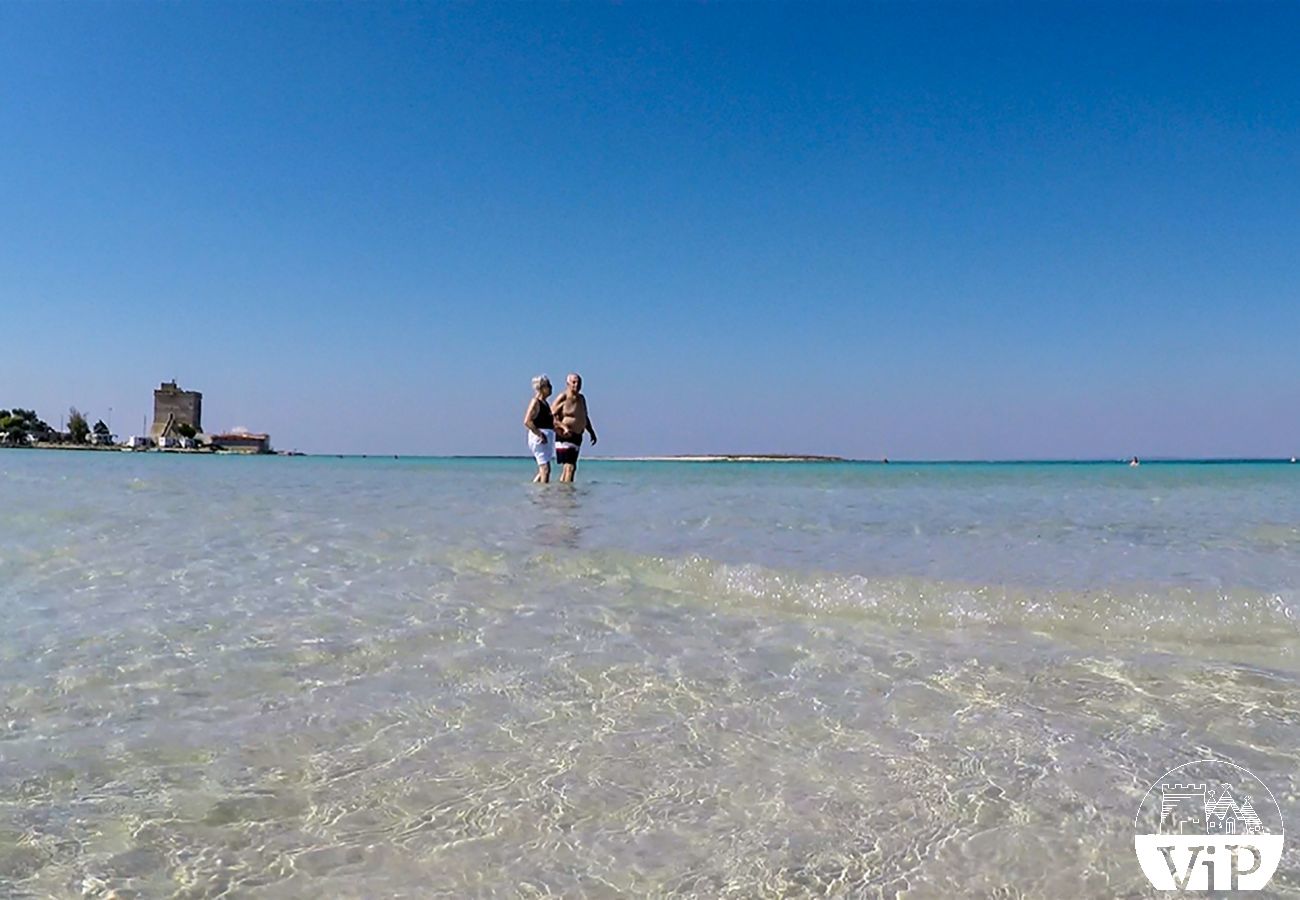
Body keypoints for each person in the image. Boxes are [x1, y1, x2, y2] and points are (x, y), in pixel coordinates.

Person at [551, 372, 597, 483]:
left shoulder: (581, 398)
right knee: (569, 467)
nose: (576, 385)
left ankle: (563, 492)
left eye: (579, 383)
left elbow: (584, 416)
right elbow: (550, 416)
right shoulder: (563, 397)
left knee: (571, 467)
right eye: (574, 382)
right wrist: (563, 427)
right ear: (568, 383)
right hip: (565, 435)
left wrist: (591, 432)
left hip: (577, 436)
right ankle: (568, 495)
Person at [524, 375, 555, 483]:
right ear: (542, 388)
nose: (551, 388)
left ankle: (536, 489)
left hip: (546, 438)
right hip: (540, 439)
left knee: (544, 470)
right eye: (548, 386)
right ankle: (543, 495)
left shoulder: (545, 403)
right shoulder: (536, 402)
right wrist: (540, 434)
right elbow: (527, 421)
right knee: (545, 469)